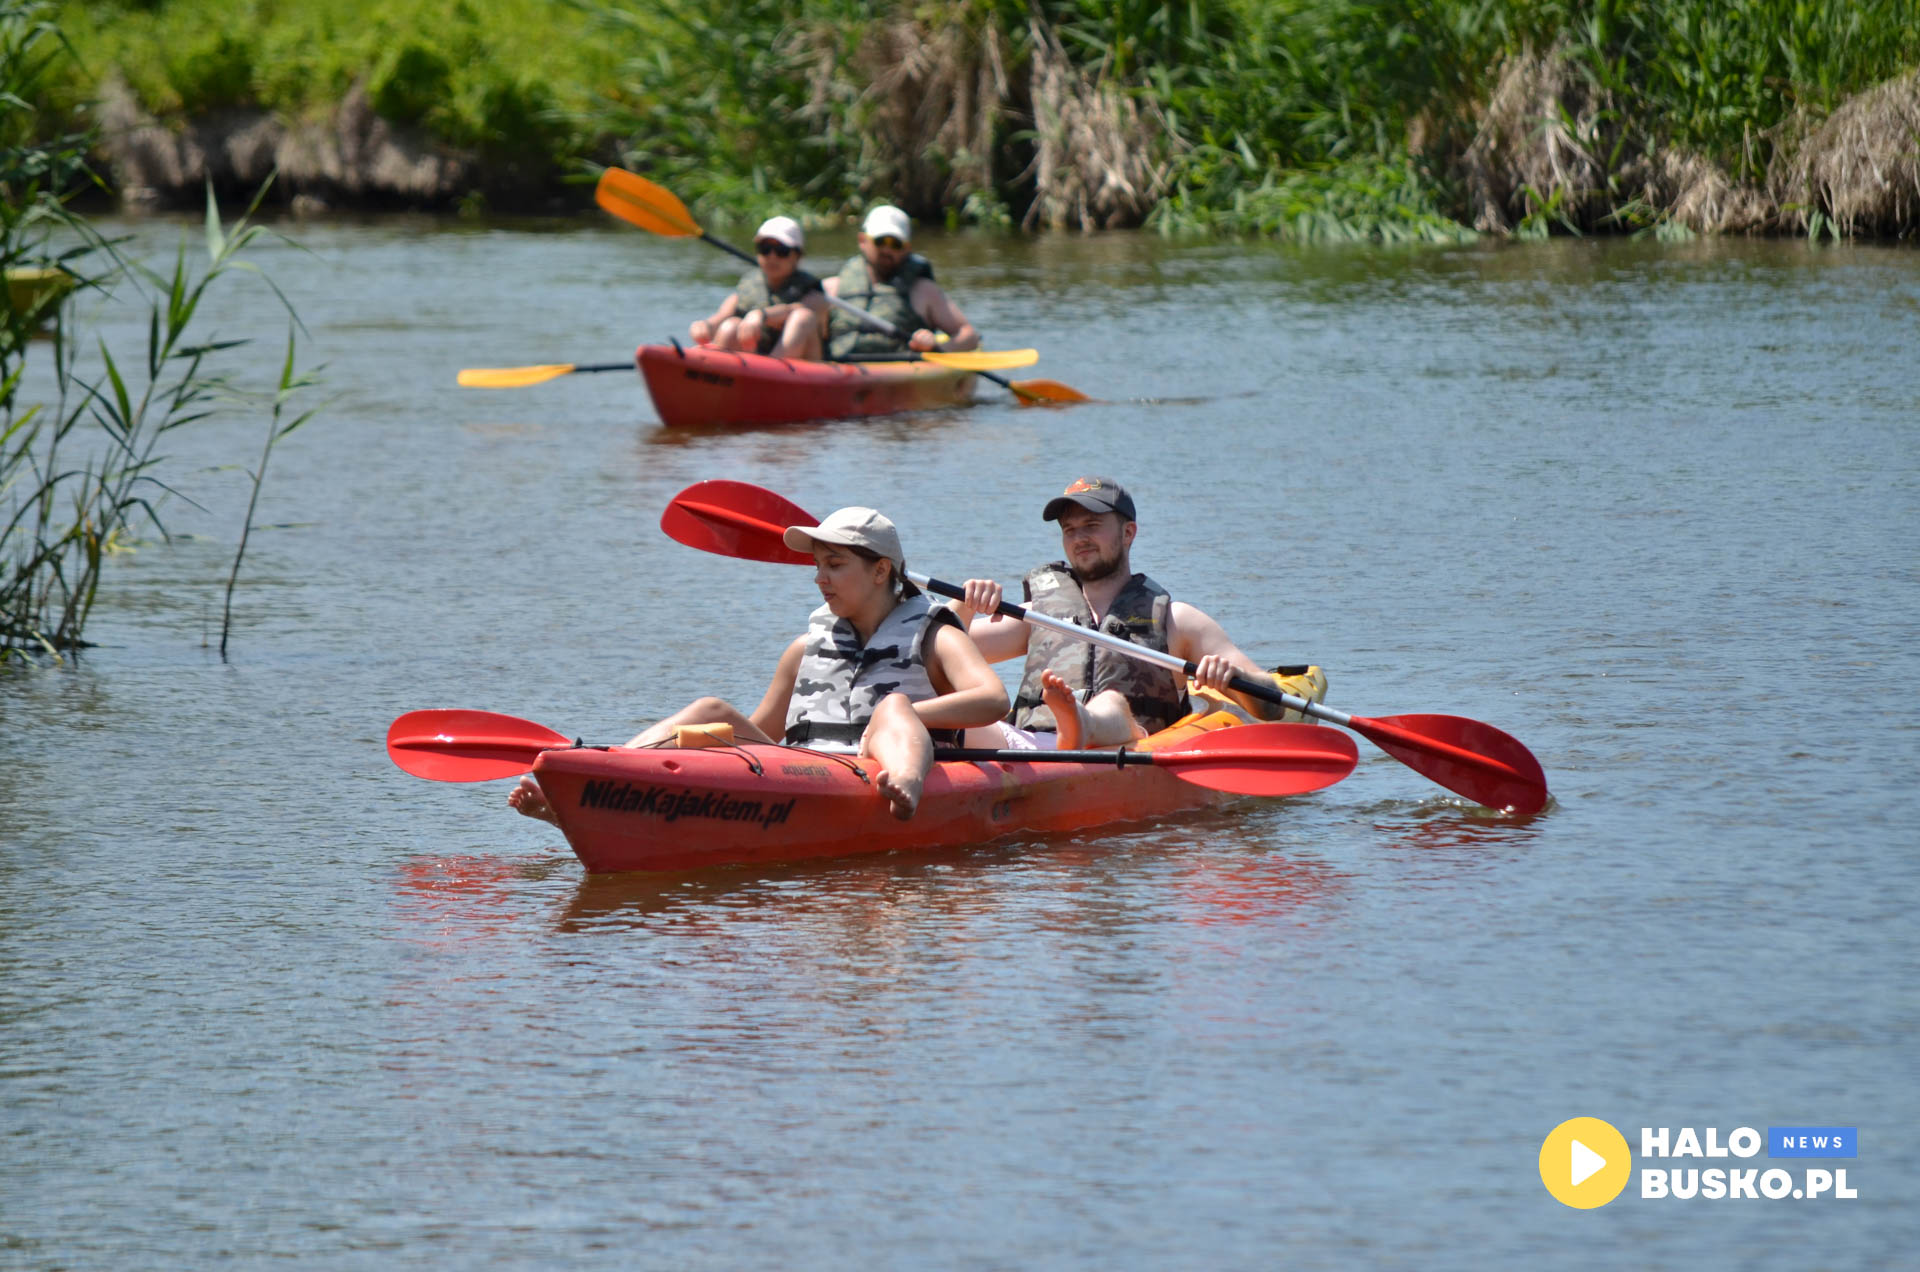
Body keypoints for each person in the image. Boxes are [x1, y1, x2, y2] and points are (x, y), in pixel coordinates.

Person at [509, 507, 1007, 822]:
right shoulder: (804, 648)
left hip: (887, 767)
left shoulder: (936, 635)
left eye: (835, 565)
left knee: (894, 705)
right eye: (818, 565)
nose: (820, 578)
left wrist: (904, 714)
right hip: (813, 773)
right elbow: (764, 737)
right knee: (710, 711)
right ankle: (598, 786)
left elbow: (993, 700)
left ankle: (905, 790)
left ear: (881, 571)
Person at [955, 477, 1288, 751]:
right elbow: (936, 658)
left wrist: (1234, 677)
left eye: (1092, 525)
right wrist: (965, 606)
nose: (1079, 538)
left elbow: (1272, 707)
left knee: (1111, 703)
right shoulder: (1034, 616)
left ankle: (1083, 722)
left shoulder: (1178, 621)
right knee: (943, 718)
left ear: (1128, 533)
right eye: (1069, 529)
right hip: (1027, 749)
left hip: (1124, 749)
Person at [822, 205, 979, 359]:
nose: (887, 250)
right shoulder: (830, 290)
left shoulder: (925, 291)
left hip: (902, 368)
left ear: (907, 248)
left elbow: (969, 336)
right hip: (839, 368)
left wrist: (935, 349)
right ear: (862, 240)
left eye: (895, 244)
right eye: (880, 241)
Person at [689, 215, 828, 360]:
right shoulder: (748, 287)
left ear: (797, 256)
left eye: (782, 251)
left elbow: (795, 309)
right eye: (765, 249)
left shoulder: (814, 294)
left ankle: (774, 369)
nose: (772, 257)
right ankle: (714, 368)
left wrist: (761, 315)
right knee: (730, 326)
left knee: (802, 318)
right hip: (758, 358)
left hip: (805, 363)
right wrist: (705, 326)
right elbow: (720, 318)